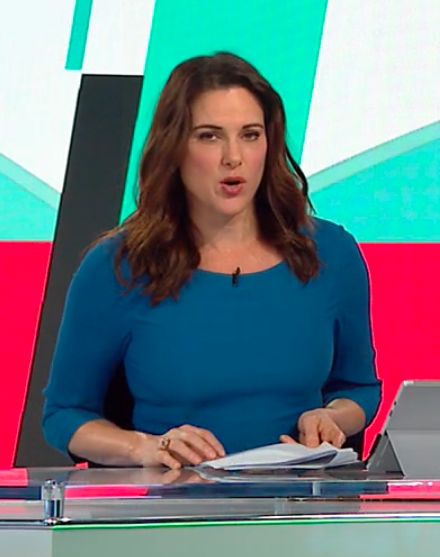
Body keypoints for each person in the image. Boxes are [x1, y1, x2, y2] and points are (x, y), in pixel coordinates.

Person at [43, 52, 381, 469]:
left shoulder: (330, 253)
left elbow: (358, 388)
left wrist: (333, 418)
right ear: (174, 147)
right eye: (209, 136)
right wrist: (145, 448)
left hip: (299, 499)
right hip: (173, 502)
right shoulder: (119, 266)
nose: (233, 157)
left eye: (251, 135)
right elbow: (65, 415)